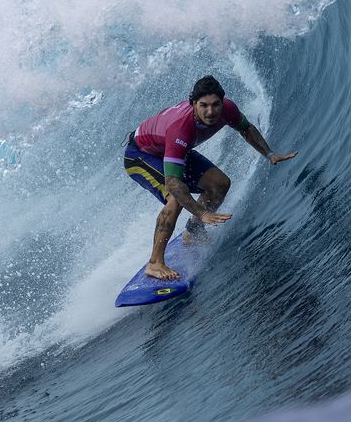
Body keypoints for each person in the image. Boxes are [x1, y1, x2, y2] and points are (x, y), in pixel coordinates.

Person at [123, 75, 297, 280]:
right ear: (193, 104)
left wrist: (269, 154)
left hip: (171, 150)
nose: (211, 111)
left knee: (219, 184)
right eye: (203, 105)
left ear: (222, 103)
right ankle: (154, 263)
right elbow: (172, 183)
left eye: (215, 105)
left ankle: (193, 232)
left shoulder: (228, 110)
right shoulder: (181, 128)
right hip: (141, 155)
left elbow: (246, 128)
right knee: (175, 197)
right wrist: (202, 212)